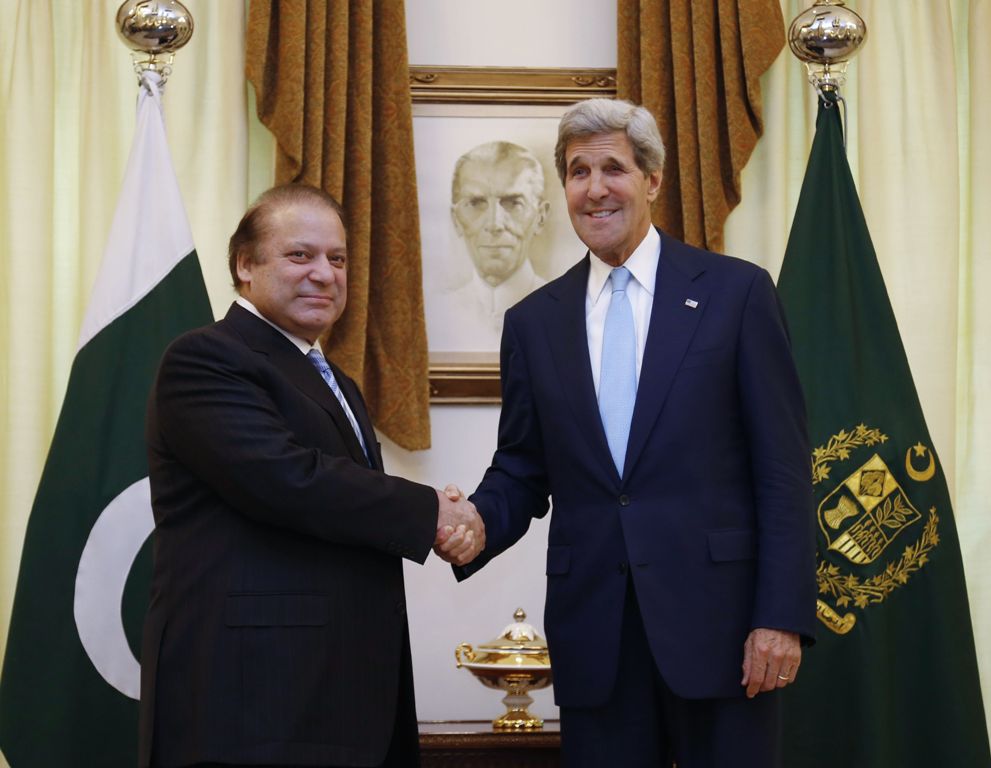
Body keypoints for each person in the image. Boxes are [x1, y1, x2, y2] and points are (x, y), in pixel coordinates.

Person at [454, 99, 816, 767]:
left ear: (651, 180)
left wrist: (780, 616)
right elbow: (522, 468)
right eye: (576, 171)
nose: (594, 189)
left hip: (726, 630)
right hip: (596, 636)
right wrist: (472, 522)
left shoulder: (735, 294)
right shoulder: (535, 322)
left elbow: (783, 471)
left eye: (612, 168)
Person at [138, 184, 483, 768]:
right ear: (245, 265)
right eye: (301, 255)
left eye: (338, 258)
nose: (325, 273)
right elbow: (288, 479)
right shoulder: (205, 359)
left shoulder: (334, 379)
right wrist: (433, 515)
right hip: (254, 701)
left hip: (335, 696)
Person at [443, 141, 551, 349]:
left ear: (540, 217)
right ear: (456, 220)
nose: (494, 224)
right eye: (475, 204)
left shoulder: (570, 311)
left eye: (513, 203)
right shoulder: (436, 313)